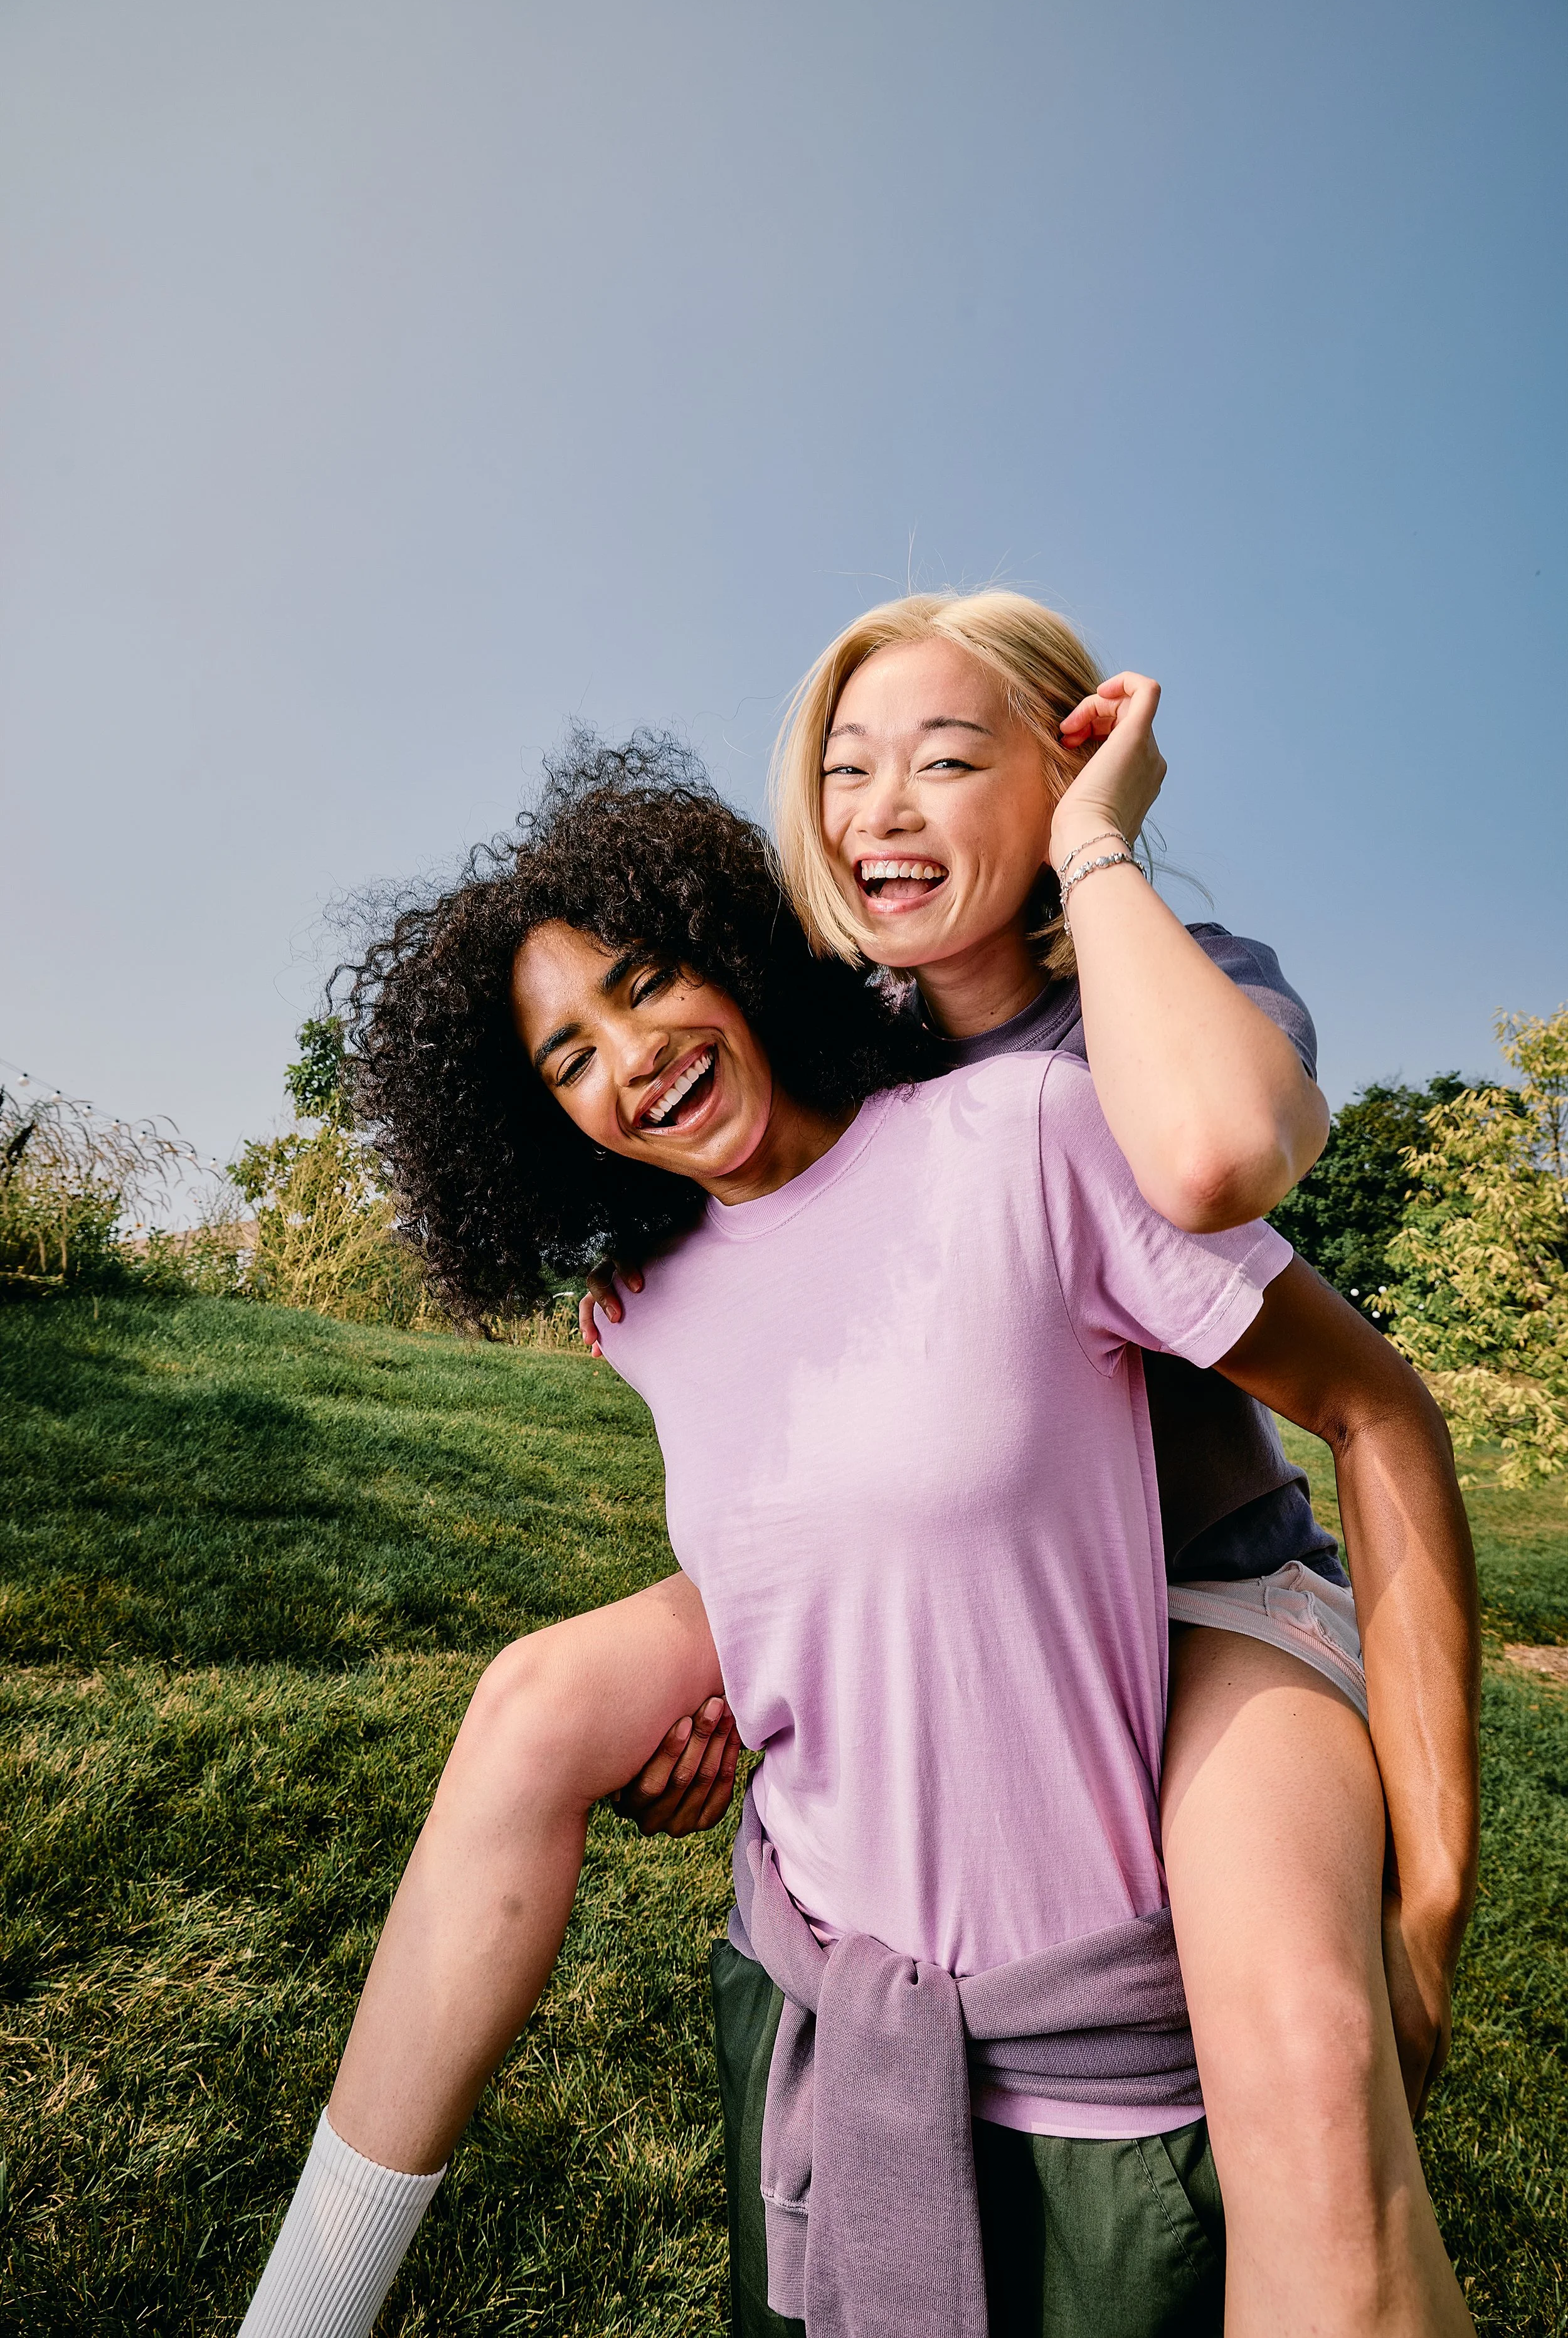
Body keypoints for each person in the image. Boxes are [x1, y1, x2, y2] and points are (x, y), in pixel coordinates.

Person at [236, 733, 1477, 2338]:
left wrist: (1430, 1878)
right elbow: (808, 1522)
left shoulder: (1026, 1123)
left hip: (1151, 1770)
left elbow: (1353, 1390)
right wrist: (733, 1691)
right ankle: (304, 2307)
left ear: (737, 953)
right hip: (827, 1955)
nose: (630, 1054)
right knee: (534, 1700)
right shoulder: (643, 1315)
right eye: (565, 1056)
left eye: (646, 978)